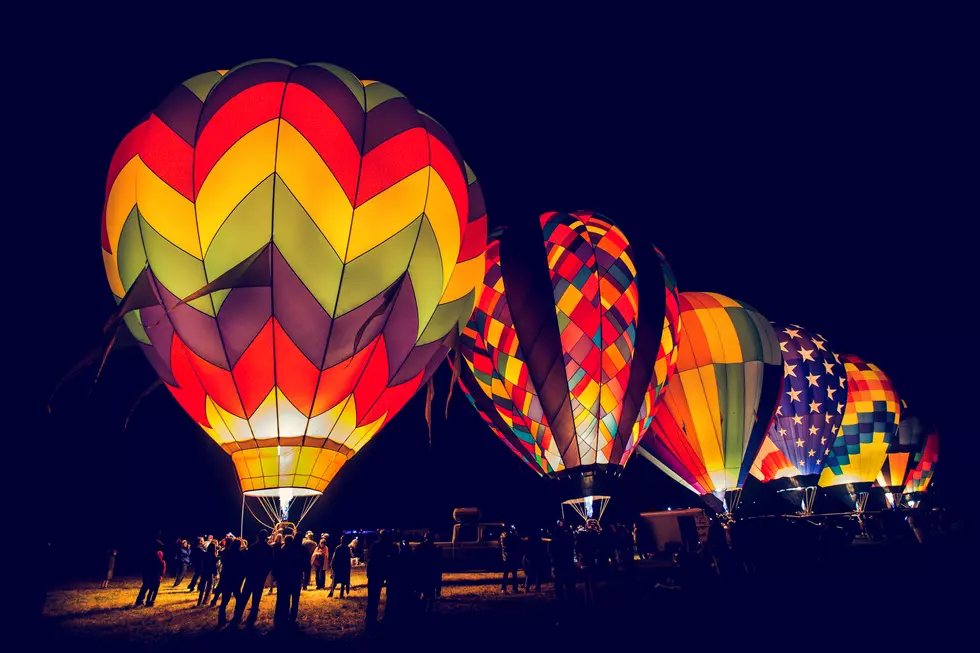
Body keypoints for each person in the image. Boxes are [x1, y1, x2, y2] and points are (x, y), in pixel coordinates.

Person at [232, 529, 274, 627]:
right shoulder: (268, 548)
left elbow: (248, 561)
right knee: (256, 598)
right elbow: (269, 563)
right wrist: (265, 574)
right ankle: (252, 618)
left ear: (258, 536)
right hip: (260, 576)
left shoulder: (252, 547)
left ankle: (237, 616)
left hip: (251, 575)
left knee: (244, 597)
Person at [365, 530, 394, 629]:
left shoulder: (375, 546)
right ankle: (373, 620)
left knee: (373, 598)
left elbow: (370, 560)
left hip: (376, 574)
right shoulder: (388, 546)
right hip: (379, 574)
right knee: (375, 598)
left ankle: (371, 620)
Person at [214, 538, 245, 625]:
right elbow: (243, 568)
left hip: (226, 578)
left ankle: (221, 619)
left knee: (224, 600)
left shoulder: (227, 553)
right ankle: (236, 618)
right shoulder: (240, 555)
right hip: (235, 580)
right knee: (239, 599)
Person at [415, 532, 441, 612]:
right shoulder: (434, 549)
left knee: (420, 594)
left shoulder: (419, 547)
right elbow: (437, 564)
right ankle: (427, 612)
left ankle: (420, 611)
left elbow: (415, 561)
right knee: (429, 595)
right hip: (429, 575)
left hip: (422, 574)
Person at [197, 540, 218, 607]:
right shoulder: (214, 556)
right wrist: (216, 573)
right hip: (210, 573)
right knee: (209, 587)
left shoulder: (204, 554)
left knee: (202, 587)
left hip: (204, 571)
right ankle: (205, 601)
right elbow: (214, 566)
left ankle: (199, 602)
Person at [500, 527, 521, 593]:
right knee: (514, 574)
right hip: (511, 556)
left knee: (506, 574)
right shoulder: (509, 537)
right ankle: (514, 588)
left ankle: (504, 588)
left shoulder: (503, 536)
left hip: (506, 557)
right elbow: (516, 543)